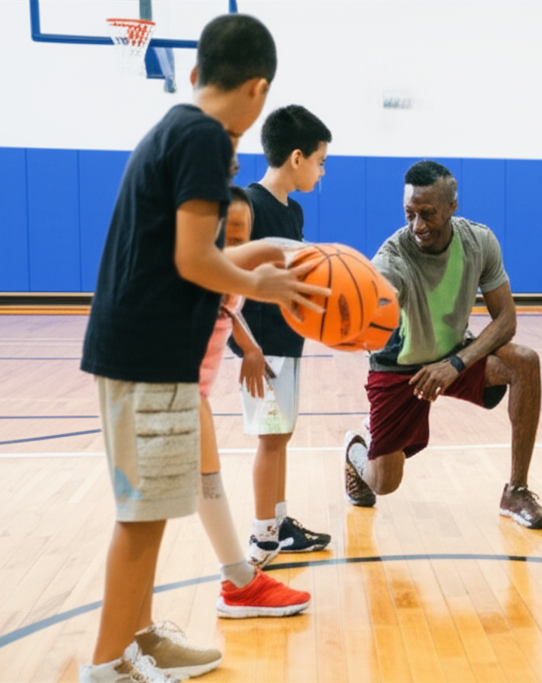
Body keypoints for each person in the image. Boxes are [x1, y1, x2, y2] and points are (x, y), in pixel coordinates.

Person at [78, 15, 328, 682]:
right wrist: (261, 283)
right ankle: (107, 664)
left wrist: (269, 252)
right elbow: (197, 261)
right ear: (258, 88)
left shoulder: (177, 127)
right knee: (142, 518)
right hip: (149, 355)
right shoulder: (207, 140)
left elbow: (195, 252)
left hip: (142, 349)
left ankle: (138, 640)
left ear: (194, 73)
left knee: (153, 512)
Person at [342, 160, 542, 530]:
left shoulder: (479, 241)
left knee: (525, 362)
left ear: (453, 206)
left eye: (427, 213)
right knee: (384, 483)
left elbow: (506, 320)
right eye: (409, 213)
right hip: (398, 367)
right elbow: (377, 293)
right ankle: (357, 449)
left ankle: (516, 490)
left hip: (454, 355)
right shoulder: (393, 257)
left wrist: (456, 363)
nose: (417, 225)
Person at [197, 187, 311, 619]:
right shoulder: (195, 271)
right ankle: (116, 650)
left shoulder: (230, 278)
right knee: (144, 516)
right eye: (228, 236)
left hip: (192, 394)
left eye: (245, 237)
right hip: (160, 387)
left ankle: (239, 581)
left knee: (208, 484)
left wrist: (249, 348)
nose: (238, 247)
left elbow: (230, 310)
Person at [230, 105, 334, 568]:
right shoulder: (248, 206)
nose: (322, 170)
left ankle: (280, 524)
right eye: (320, 161)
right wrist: (248, 348)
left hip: (286, 343)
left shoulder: (293, 212)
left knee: (281, 436)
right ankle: (261, 539)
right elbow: (225, 285)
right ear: (297, 157)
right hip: (261, 348)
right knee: (270, 440)